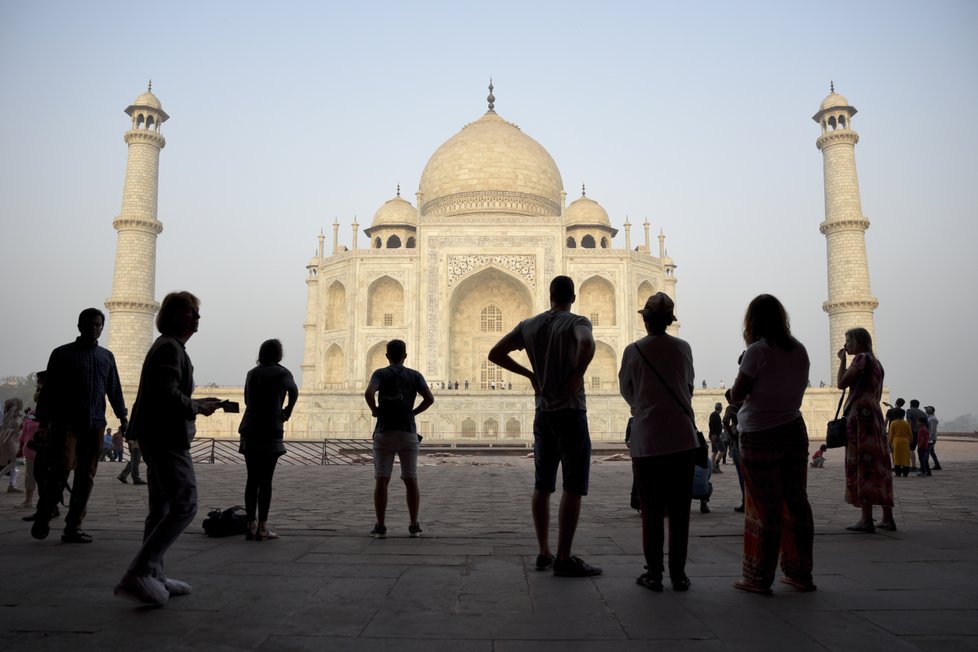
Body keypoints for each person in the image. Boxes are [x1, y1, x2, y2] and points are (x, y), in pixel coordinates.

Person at [114, 291, 223, 607]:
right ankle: (139, 571)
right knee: (185, 503)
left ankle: (154, 575)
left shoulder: (172, 348)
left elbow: (171, 392)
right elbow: (166, 395)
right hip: (166, 437)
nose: (197, 318)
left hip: (158, 434)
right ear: (175, 316)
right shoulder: (168, 348)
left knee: (160, 509)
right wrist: (197, 408)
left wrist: (197, 404)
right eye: (191, 312)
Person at [488, 275, 600, 578]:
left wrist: (529, 375)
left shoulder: (530, 325)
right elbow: (588, 343)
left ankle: (543, 551)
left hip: (544, 413)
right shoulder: (578, 321)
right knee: (573, 485)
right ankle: (564, 557)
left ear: (549, 296)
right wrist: (578, 372)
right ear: (572, 297)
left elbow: (495, 354)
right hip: (571, 412)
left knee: (542, 484)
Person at [728, 294, 815, 594]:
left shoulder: (757, 351)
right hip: (793, 430)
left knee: (764, 506)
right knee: (796, 502)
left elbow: (738, 394)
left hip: (760, 434)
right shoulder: (800, 350)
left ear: (752, 322)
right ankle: (801, 573)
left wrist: (730, 393)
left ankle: (759, 577)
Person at [618, 292, 698, 592]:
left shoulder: (633, 350)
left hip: (648, 438)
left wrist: (642, 405)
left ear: (645, 319)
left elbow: (626, 389)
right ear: (670, 321)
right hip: (681, 437)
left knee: (651, 511)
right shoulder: (683, 348)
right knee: (679, 511)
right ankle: (679, 575)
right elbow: (688, 386)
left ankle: (654, 574)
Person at [30, 308, 129, 543]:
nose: (94, 328)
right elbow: (50, 390)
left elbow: (114, 390)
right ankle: (44, 515)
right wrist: (44, 422)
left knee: (86, 476)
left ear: (102, 328)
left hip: (95, 423)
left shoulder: (106, 357)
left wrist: (123, 417)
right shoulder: (63, 354)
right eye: (90, 324)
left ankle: (73, 526)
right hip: (67, 423)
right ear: (79, 326)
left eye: (98, 324)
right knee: (61, 469)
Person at [364, 339, 433, 539]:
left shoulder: (380, 373)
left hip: (384, 431)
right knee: (411, 478)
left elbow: (369, 393)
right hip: (407, 431)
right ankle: (413, 524)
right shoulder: (414, 375)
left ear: (387, 356)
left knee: (382, 478)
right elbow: (429, 399)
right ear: (405, 355)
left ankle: (381, 525)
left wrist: (375, 410)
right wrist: (413, 412)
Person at [238, 339, 299, 541]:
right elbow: (293, 390)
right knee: (265, 480)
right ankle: (263, 527)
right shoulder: (282, 373)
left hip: (249, 428)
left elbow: (247, 400)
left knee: (251, 479)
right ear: (278, 354)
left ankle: (250, 525)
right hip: (270, 429)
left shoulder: (252, 373)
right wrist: (287, 410)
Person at [838, 327, 896, 533]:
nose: (847, 345)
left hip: (861, 416)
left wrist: (843, 361)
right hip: (874, 413)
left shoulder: (860, 359)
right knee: (879, 463)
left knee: (863, 462)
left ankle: (866, 519)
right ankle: (888, 518)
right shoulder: (876, 363)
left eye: (849, 341)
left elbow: (841, 383)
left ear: (859, 342)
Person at [723, 402, 745, 512]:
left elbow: (725, 421)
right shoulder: (747, 404)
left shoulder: (732, 407)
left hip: (738, 442)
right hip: (751, 440)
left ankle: (745, 502)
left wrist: (731, 435)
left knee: (742, 475)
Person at [0, 398, 25, 492]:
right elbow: (13, 428)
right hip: (10, 440)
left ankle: (12, 485)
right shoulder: (8, 415)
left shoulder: (16, 416)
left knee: (14, 464)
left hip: (14, 440)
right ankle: (11, 485)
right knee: (14, 462)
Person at [18, 408, 40, 507]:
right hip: (35, 450)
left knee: (32, 476)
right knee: (32, 476)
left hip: (38, 450)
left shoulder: (29, 418)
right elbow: (23, 437)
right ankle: (30, 501)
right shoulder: (30, 416)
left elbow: (23, 437)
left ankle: (30, 501)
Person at [905, 399, 926, 471]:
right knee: (921, 450)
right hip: (922, 432)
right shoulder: (923, 413)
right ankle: (923, 466)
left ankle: (913, 466)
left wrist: (908, 432)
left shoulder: (909, 411)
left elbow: (909, 421)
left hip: (913, 432)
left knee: (911, 449)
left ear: (911, 404)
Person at [709, 402, 724, 472]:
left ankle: (712, 467)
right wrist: (713, 434)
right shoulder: (715, 415)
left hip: (713, 435)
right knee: (723, 450)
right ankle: (716, 465)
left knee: (715, 452)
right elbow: (711, 424)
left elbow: (718, 425)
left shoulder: (714, 414)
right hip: (715, 436)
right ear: (720, 409)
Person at [925, 406, 941, 470]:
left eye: (927, 409)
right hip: (931, 438)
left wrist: (929, 438)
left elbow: (932, 430)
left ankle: (926, 466)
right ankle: (937, 465)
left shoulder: (932, 419)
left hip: (931, 438)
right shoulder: (930, 418)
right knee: (931, 451)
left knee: (927, 452)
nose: (926, 410)